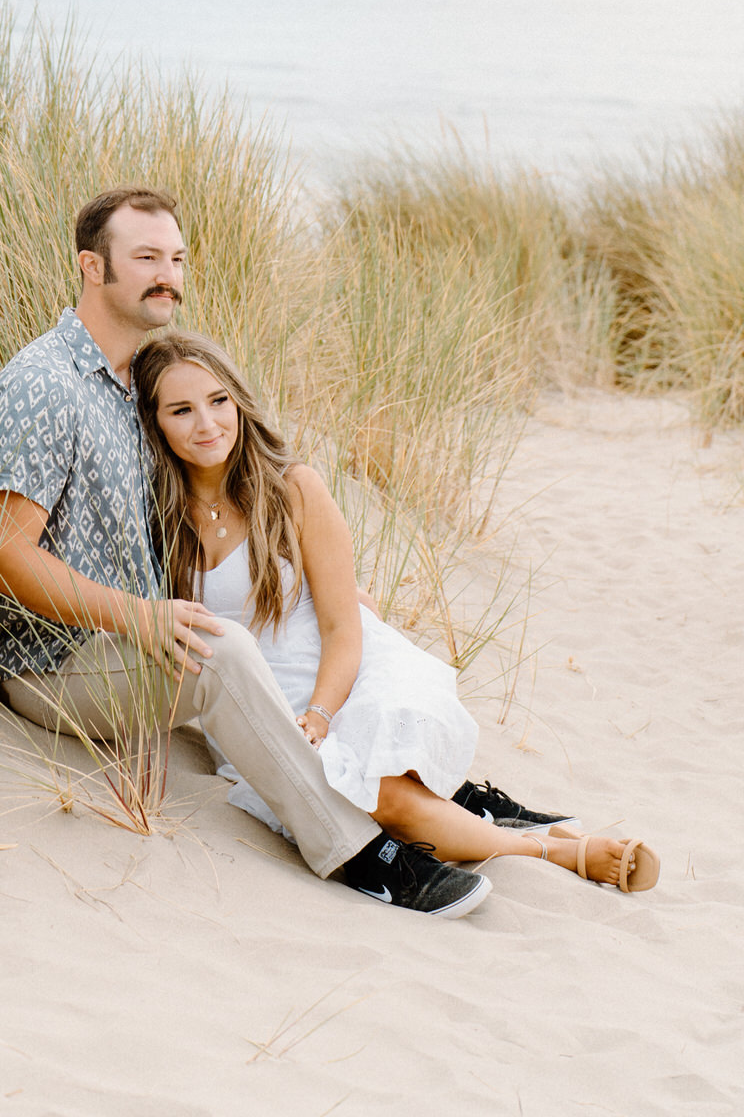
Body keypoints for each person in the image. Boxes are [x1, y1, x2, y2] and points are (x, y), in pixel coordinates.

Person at [0, 185, 495, 917]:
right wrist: (141, 617)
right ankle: (361, 855)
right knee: (221, 650)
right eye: (146, 257)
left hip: (127, 647)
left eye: (178, 258)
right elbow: (0, 552)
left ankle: (437, 792)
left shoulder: (133, 385)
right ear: (93, 268)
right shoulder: (45, 385)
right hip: (56, 663)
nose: (169, 275)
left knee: (309, 634)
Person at [132, 330, 661, 896]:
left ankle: (559, 851)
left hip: (337, 678)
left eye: (218, 401)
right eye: (181, 410)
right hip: (255, 702)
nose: (207, 424)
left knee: (384, 793)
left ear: (238, 401)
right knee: (376, 801)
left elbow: (342, 625)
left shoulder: (293, 490)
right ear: (155, 422)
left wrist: (320, 714)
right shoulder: (156, 513)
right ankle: (527, 837)